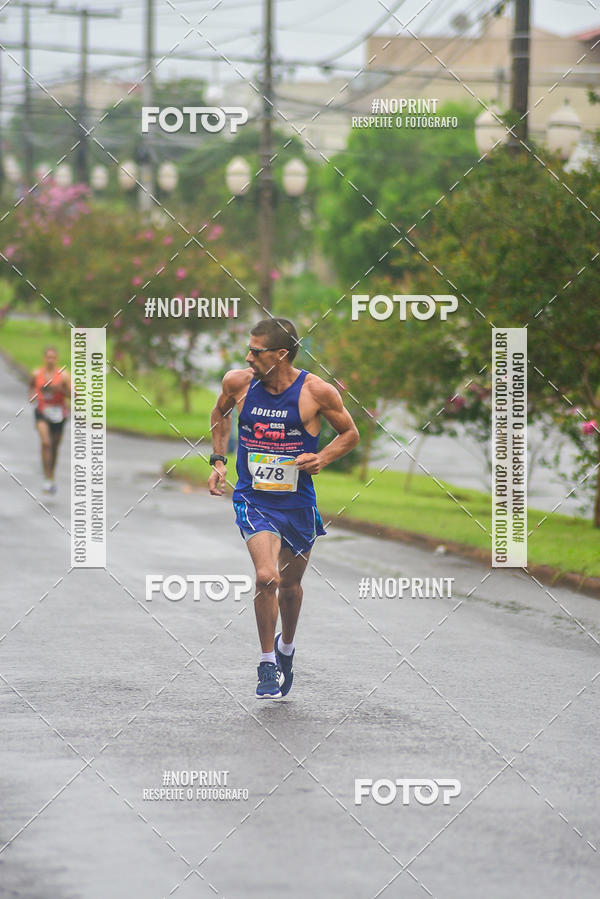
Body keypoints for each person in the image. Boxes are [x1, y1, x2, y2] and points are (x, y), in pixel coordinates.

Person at [208, 318, 360, 699]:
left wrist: (322, 457)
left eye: (256, 351)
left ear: (280, 354)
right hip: (253, 498)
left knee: (290, 585)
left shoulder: (316, 391)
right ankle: (265, 663)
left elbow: (350, 433)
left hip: (296, 503)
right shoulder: (238, 383)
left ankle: (286, 649)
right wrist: (219, 460)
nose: (248, 356)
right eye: (249, 348)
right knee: (266, 577)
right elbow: (220, 413)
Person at [29, 346, 70, 494]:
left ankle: (51, 474)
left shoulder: (64, 375)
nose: (50, 360)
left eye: (53, 357)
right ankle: (47, 477)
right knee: (46, 442)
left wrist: (61, 390)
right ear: (44, 358)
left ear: (57, 359)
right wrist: (32, 396)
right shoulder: (36, 373)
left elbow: (74, 394)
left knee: (54, 446)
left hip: (59, 413)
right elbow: (32, 386)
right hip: (42, 411)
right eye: (48, 357)